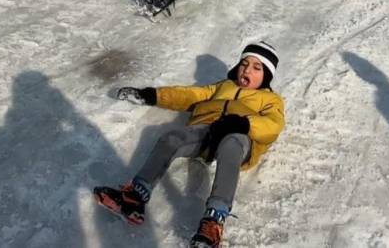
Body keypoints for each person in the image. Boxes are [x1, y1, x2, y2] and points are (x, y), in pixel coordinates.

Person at [93, 41, 285, 248]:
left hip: (238, 140)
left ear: (267, 74)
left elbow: (273, 126)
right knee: (171, 138)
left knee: (232, 142)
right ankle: (135, 197)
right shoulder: (223, 86)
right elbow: (189, 95)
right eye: (244, 64)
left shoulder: (270, 100)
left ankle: (213, 222)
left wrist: (243, 122)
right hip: (206, 133)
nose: (247, 70)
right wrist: (152, 95)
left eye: (257, 68)